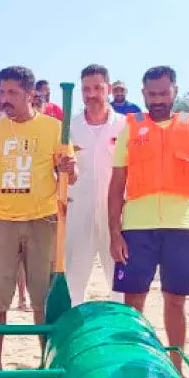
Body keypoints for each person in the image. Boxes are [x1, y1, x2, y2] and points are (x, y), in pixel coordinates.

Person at [108, 66, 189, 378]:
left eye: (163, 93)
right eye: (151, 94)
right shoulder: (131, 128)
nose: (157, 100)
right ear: (143, 94)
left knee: (176, 301)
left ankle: (175, 370)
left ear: (175, 92)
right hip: (137, 226)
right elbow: (116, 185)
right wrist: (114, 232)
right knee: (134, 301)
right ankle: (136, 367)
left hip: (181, 225)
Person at [0, 66, 77, 371]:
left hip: (43, 221)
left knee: (42, 297)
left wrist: (70, 168)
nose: (5, 99)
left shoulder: (55, 129)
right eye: (1, 92)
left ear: (31, 94)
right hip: (0, 221)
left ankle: (47, 363)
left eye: (12, 92)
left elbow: (72, 175)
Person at [67, 64, 125, 306]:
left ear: (109, 89)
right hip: (78, 211)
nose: (91, 94)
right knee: (73, 279)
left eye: (97, 88)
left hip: (117, 214)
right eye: (86, 89)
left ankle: (120, 331)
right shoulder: (68, 127)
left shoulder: (125, 125)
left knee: (120, 278)